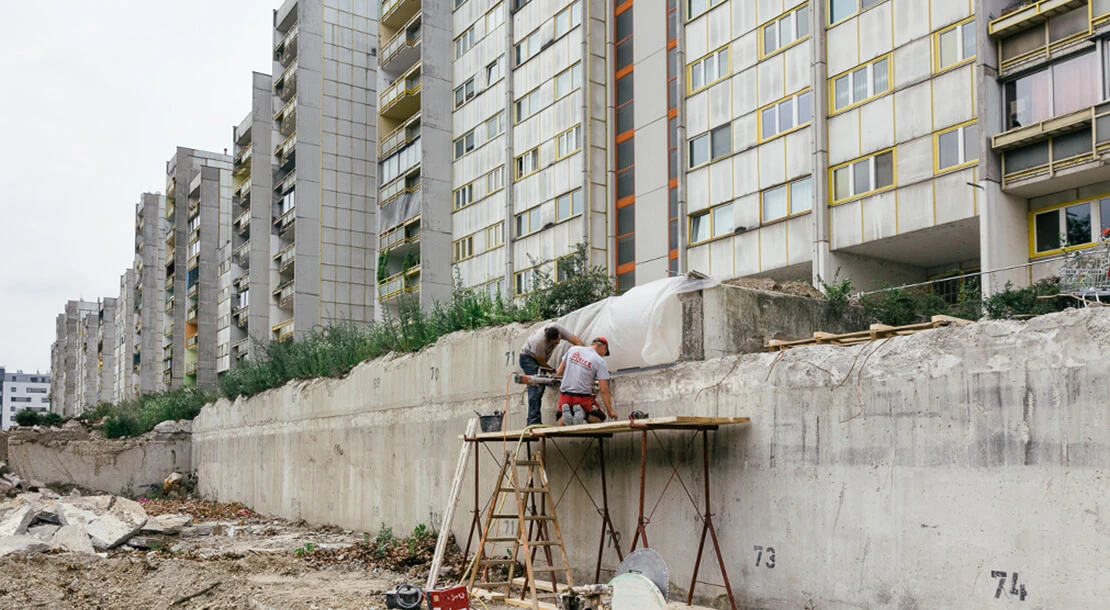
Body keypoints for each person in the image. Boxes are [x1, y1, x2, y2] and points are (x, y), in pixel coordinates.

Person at [519, 324, 582, 426]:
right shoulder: (539, 342)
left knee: (540, 388)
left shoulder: (559, 329)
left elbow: (576, 341)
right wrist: (555, 373)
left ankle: (534, 419)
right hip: (528, 358)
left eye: (559, 338)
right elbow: (542, 363)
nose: (559, 341)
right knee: (536, 387)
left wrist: (583, 356)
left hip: (539, 359)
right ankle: (533, 421)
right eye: (557, 341)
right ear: (550, 341)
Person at [555, 337, 617, 426]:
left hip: (565, 396)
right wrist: (610, 411)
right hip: (582, 399)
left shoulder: (573, 349)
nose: (603, 356)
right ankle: (583, 414)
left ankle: (565, 417)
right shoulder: (600, 361)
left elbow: (559, 372)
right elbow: (604, 389)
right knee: (600, 419)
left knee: (560, 420)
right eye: (604, 353)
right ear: (604, 347)